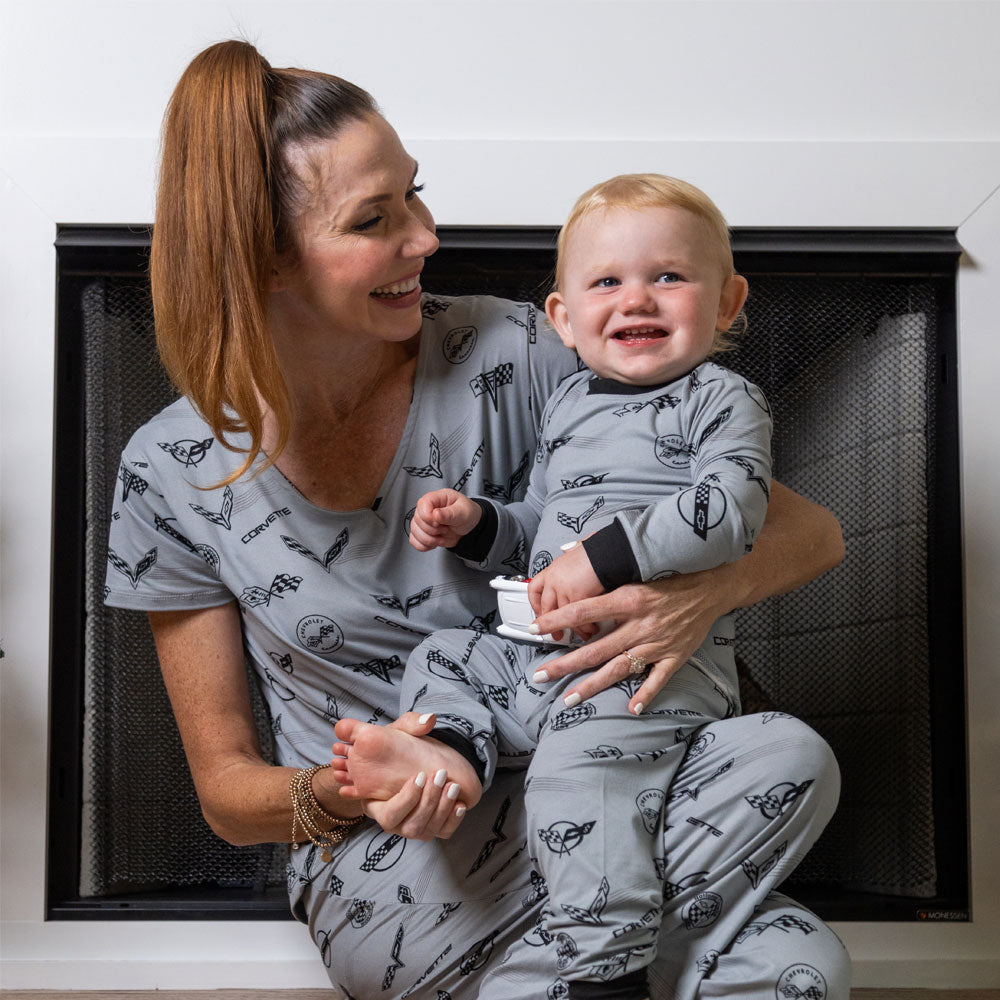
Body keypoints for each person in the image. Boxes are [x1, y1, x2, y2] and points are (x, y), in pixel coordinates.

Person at [103, 39, 850, 1000]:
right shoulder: (168, 469)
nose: (424, 236)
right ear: (266, 262)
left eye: (416, 193)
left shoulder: (522, 350)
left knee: (800, 948)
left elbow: (808, 532)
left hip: (611, 772)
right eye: (375, 219)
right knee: (770, 963)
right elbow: (228, 795)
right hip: (407, 867)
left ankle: (574, 970)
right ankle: (606, 959)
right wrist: (354, 789)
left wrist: (690, 602)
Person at [332, 173, 775, 999]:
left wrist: (601, 560)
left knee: (582, 777)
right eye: (607, 282)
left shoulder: (719, 397)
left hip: (640, 668)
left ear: (726, 301)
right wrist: (479, 526)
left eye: (668, 277)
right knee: (446, 654)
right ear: (564, 320)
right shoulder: (570, 401)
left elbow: (732, 510)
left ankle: (607, 974)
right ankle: (454, 751)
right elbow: (544, 521)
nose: (637, 298)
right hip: (540, 656)